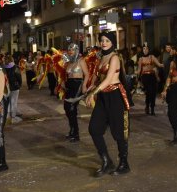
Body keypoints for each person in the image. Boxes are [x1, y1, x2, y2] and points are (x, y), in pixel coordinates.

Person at [86, 31, 131, 177]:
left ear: (112, 42)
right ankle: (106, 161)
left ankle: (124, 163)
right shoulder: (102, 57)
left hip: (115, 96)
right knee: (94, 128)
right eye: (102, 40)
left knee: (118, 132)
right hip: (103, 97)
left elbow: (109, 79)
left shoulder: (115, 57)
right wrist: (92, 87)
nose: (104, 43)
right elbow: (101, 79)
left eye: (107, 40)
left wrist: (94, 93)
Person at [62, 43, 89, 142]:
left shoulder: (81, 61)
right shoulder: (68, 62)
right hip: (69, 85)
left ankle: (76, 134)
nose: (70, 52)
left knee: (72, 108)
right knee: (67, 108)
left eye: (72, 50)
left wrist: (84, 85)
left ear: (76, 50)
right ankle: (72, 130)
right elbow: (66, 75)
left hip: (78, 85)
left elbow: (86, 74)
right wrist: (63, 83)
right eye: (69, 50)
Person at [137, 43, 163, 115]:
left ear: (149, 49)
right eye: (144, 49)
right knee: (148, 92)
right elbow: (139, 70)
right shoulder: (140, 59)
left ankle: (152, 108)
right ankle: (147, 106)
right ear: (142, 50)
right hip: (145, 77)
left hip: (152, 76)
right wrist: (136, 76)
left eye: (147, 49)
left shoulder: (152, 57)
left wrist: (166, 64)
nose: (145, 50)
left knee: (153, 93)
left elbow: (159, 64)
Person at [3, 53, 22, 124]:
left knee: (7, 102)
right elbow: (19, 77)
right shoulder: (15, 67)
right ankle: (13, 117)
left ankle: (7, 116)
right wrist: (19, 84)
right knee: (14, 102)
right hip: (14, 87)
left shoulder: (3, 68)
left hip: (6, 88)